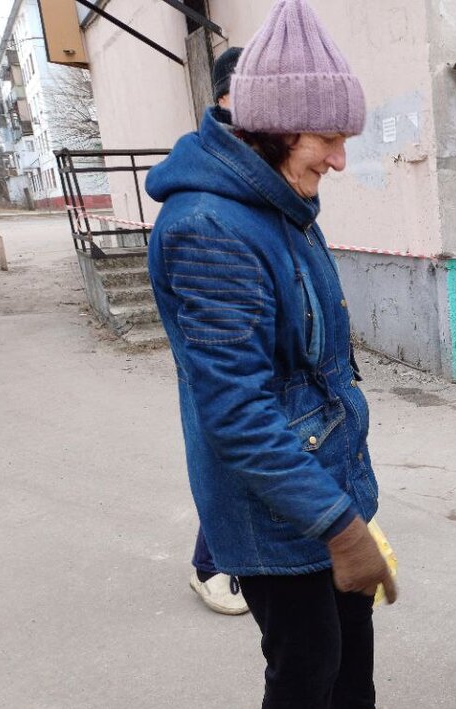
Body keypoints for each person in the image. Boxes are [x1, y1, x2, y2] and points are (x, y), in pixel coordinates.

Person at [146, 0, 437, 709]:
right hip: (276, 505)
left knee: (353, 626)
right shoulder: (208, 229)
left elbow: (314, 364)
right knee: (302, 654)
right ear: (272, 124)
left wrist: (350, 506)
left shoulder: (278, 201)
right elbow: (235, 412)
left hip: (326, 478)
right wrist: (337, 525)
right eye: (326, 139)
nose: (341, 159)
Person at [185, 45, 247, 617]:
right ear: (227, 94)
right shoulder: (209, 217)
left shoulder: (256, 185)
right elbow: (232, 403)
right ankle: (210, 567)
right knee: (233, 454)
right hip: (245, 396)